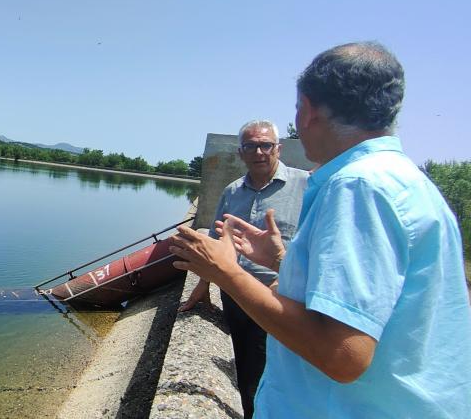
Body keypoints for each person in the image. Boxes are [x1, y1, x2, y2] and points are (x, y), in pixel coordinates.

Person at [170, 42, 471, 418]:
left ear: (308, 111)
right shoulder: (407, 181)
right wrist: (284, 260)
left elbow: (343, 355)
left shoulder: (358, 187)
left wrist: (224, 272)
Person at [179, 119, 307, 419]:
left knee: (270, 373)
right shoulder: (232, 192)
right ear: (241, 152)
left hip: (280, 295)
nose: (259, 152)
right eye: (251, 146)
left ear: (279, 148)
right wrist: (202, 286)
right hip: (234, 294)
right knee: (246, 367)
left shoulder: (306, 185)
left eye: (266, 145)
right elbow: (214, 244)